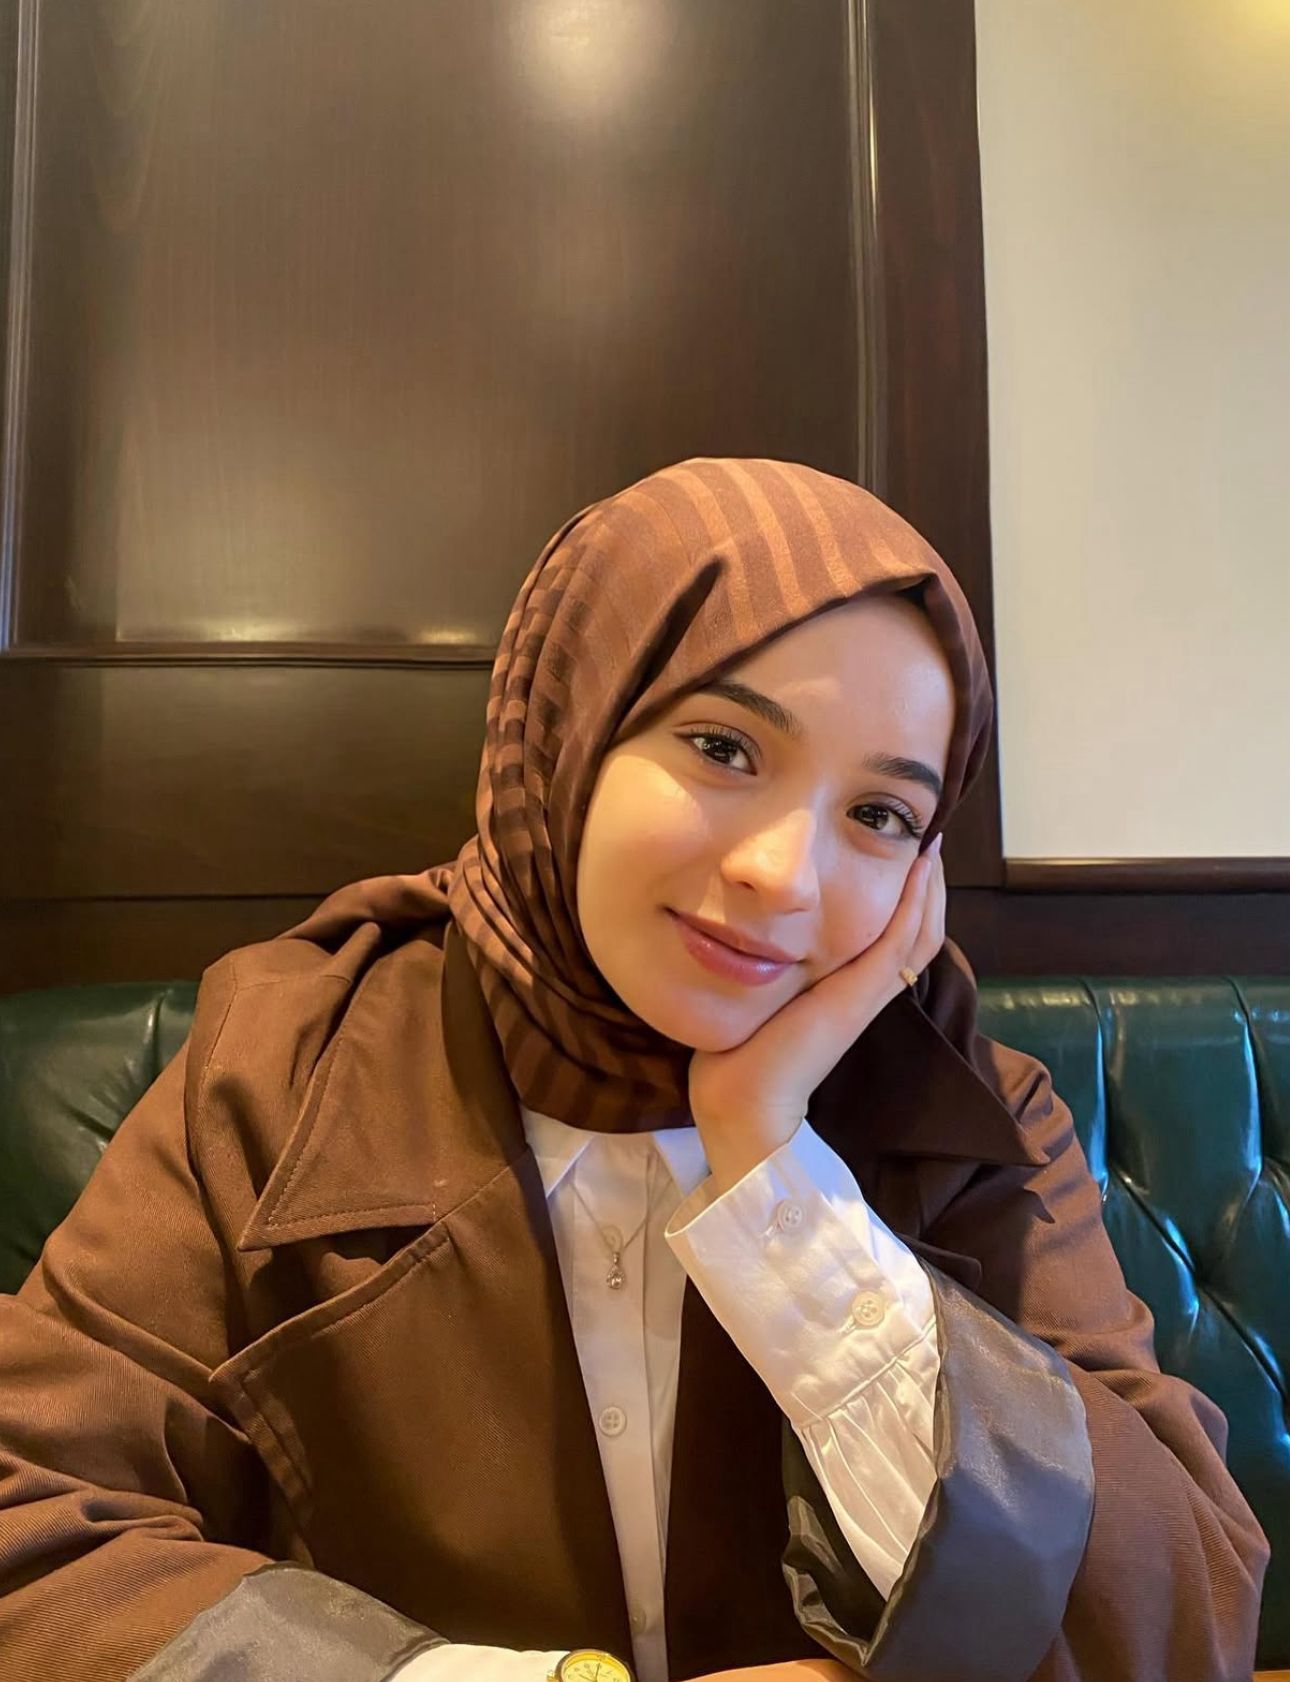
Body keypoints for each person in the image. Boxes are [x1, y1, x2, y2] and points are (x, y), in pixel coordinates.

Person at [0, 458, 1268, 1682]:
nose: (785, 874)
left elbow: (1178, 1618)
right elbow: (34, 1529)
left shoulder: (970, 1113)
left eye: (879, 814)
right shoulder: (282, 1067)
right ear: (569, 725)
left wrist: (775, 1164)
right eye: (725, 746)